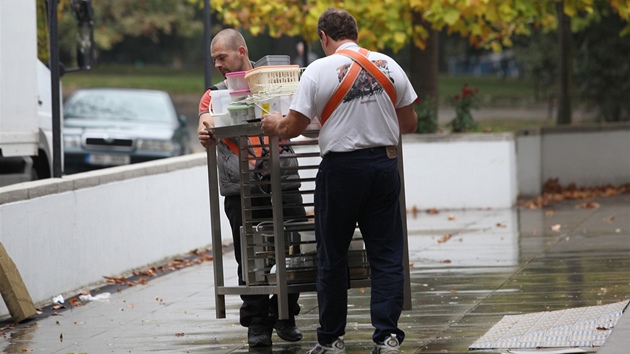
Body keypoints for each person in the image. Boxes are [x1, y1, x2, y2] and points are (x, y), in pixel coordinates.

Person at [260, 8, 418, 354]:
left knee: (332, 254)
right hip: (384, 167)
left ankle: (332, 339)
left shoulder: (318, 69)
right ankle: (388, 337)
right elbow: (409, 123)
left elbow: (294, 127)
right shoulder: (389, 65)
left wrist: (275, 124)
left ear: (323, 37)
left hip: (342, 171)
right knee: (387, 253)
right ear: (356, 35)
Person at [197, 28, 306, 348]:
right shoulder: (213, 93)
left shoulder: (275, 82)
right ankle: (258, 323)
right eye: (214, 58)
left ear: (241, 51)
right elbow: (205, 123)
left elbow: (298, 115)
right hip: (239, 186)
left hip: (282, 178)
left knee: (295, 248)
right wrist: (205, 131)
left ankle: (285, 313)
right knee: (250, 258)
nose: (217, 63)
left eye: (222, 57)